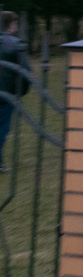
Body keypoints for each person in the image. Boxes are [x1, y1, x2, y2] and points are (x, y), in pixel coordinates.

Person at [0, 11, 30, 173]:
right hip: (7, 92)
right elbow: (25, 71)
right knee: (2, 128)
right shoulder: (16, 44)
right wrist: (21, 92)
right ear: (11, 25)